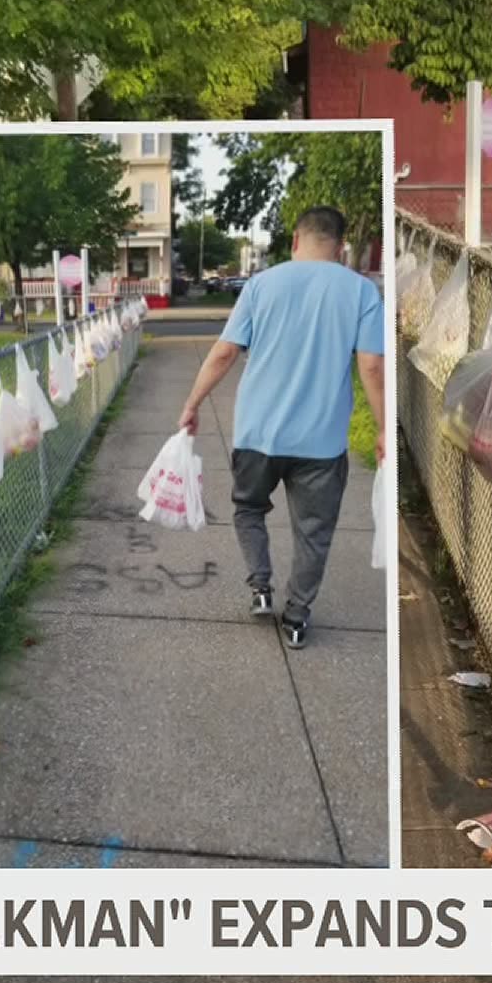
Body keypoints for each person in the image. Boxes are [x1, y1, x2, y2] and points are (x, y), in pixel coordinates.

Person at [176, 206, 386, 650]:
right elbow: (371, 364)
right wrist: (384, 428)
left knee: (249, 508)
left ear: (295, 240)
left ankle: (260, 587)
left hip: (259, 434)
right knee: (313, 532)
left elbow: (223, 354)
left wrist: (193, 403)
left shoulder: (261, 285)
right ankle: (296, 616)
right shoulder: (362, 291)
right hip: (322, 443)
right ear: (341, 246)